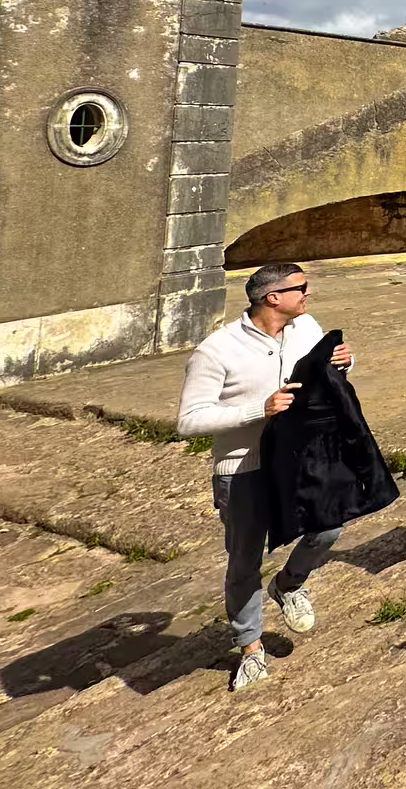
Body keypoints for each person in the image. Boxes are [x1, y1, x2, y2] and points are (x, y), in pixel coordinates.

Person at [176, 262, 352, 693]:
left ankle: (290, 584)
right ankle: (250, 647)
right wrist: (260, 409)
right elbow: (189, 420)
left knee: (328, 528)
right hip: (244, 468)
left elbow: (321, 375)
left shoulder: (306, 327)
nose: (308, 294)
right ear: (273, 298)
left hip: (300, 459)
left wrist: (344, 364)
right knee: (245, 560)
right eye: (301, 287)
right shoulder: (216, 350)